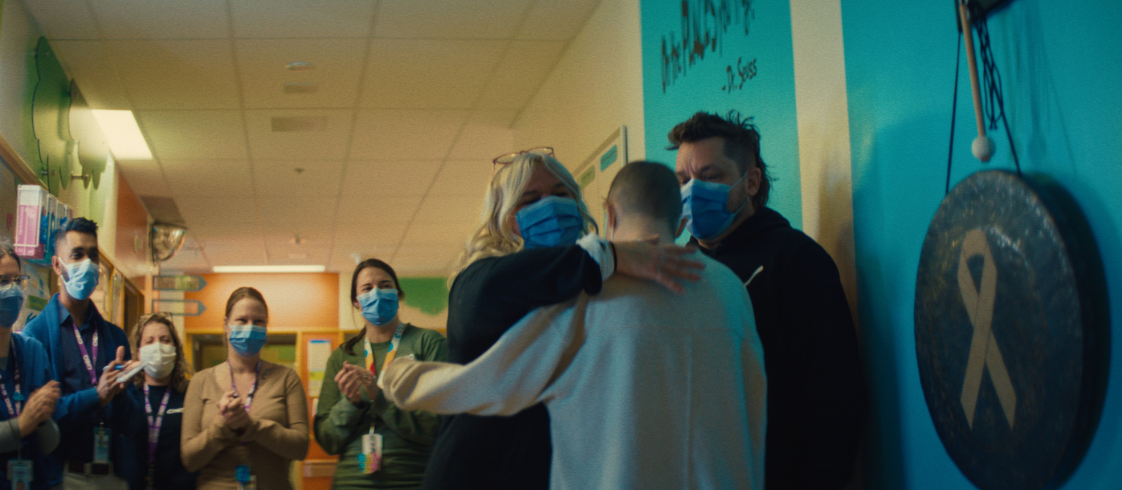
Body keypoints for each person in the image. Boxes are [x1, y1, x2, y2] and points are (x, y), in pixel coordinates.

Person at [378, 161, 767, 489]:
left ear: (607, 213)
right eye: (530, 201)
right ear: (679, 219)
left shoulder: (584, 297)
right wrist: (605, 256)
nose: (549, 207)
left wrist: (402, 377)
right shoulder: (730, 288)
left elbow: (491, 383)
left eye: (561, 195)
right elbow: (755, 404)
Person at [669, 111, 867, 489]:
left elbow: (834, 397)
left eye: (709, 177)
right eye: (683, 180)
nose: (692, 191)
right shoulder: (677, 269)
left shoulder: (795, 260)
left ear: (752, 181)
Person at [23, 218, 142, 490]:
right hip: (64, 476)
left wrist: (120, 394)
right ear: (56, 265)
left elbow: (135, 424)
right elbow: (41, 419)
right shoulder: (35, 336)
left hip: (113, 476)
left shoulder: (115, 337)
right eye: (77, 255)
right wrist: (96, 396)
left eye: (93, 255)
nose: (87, 263)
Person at [313, 259, 447, 489]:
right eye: (367, 288)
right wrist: (351, 404)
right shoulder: (342, 357)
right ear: (356, 302)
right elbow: (328, 441)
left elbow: (440, 426)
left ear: (398, 293)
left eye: (385, 285)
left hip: (413, 479)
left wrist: (381, 399)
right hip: (352, 482)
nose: (377, 293)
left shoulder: (428, 343)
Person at [180, 288, 308, 490]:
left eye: (258, 322)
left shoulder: (287, 378)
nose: (250, 328)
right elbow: (189, 460)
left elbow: (300, 448)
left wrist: (252, 426)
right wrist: (222, 427)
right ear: (226, 325)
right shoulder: (201, 381)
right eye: (242, 320)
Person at [0, 240, 61, 489]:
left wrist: (42, 419)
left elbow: (50, 442)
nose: (13, 290)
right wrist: (23, 425)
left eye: (17, 281)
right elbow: (26, 424)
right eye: (4, 281)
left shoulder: (31, 351)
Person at [121, 313, 196, 490]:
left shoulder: (191, 393)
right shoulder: (130, 394)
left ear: (176, 349)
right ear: (139, 352)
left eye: (165, 340)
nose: (158, 347)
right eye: (149, 341)